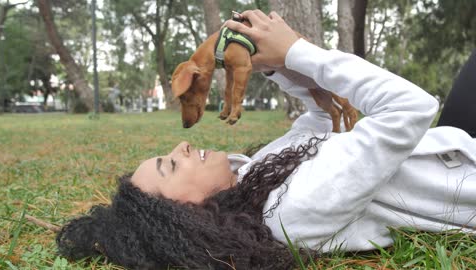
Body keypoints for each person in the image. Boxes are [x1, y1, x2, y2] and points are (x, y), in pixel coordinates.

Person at [56, 10, 476, 270]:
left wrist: (274, 66)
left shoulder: (255, 182)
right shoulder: (290, 210)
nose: (180, 147)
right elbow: (412, 107)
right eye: (170, 164)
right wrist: (297, 51)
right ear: (188, 210)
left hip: (454, 144)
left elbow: (319, 122)